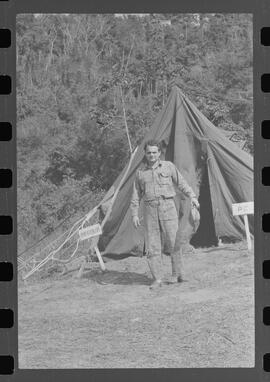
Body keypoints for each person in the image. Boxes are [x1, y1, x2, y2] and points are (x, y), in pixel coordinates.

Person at [130, 140, 199, 289]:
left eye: (154, 152)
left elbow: (181, 183)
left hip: (168, 207)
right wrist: (134, 214)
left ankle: (178, 274)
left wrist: (192, 196)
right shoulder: (140, 173)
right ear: (145, 154)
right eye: (149, 152)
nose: (152, 155)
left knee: (174, 242)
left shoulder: (168, 167)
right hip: (150, 210)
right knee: (153, 245)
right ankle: (158, 278)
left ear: (159, 153)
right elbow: (136, 195)